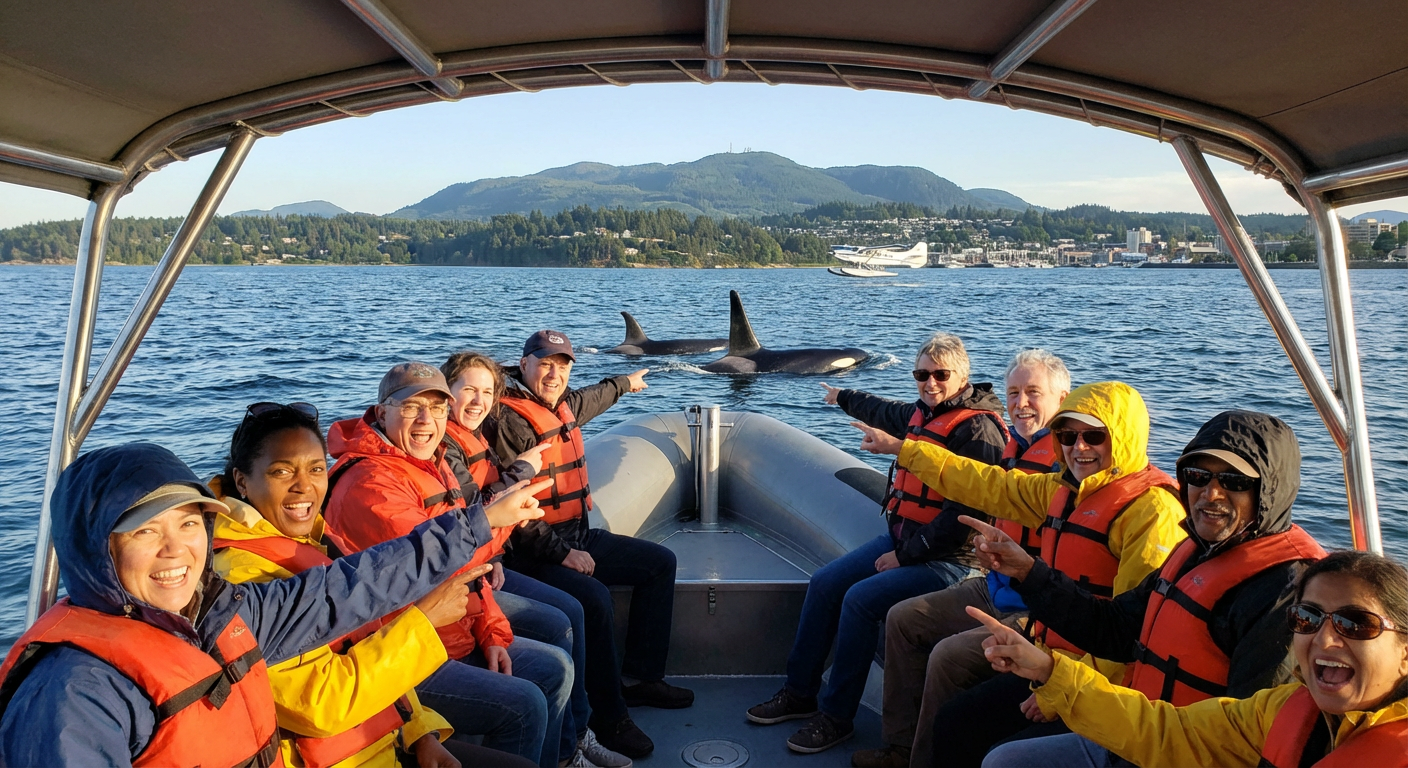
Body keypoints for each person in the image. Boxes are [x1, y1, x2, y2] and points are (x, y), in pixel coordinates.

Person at [0, 441, 545, 767]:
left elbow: (355, 586)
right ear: (97, 548)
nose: (176, 550)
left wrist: (478, 524)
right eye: (145, 531)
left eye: (189, 524)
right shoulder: (75, 692)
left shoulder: (220, 615)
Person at [964, 409, 1328, 765]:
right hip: (1137, 730)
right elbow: (1115, 627)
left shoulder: (1285, 595)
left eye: (1233, 481)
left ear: (1268, 492)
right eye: (1199, 476)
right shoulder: (1194, 552)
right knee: (1002, 758)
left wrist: (1055, 676)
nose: (1211, 493)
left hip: (1181, 750)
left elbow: (1245, 743)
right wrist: (1028, 572)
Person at [854, 380, 1187, 766]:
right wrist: (908, 451)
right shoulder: (1065, 490)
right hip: (1049, 651)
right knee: (955, 720)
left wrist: (1059, 691)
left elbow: (1134, 636)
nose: (1079, 447)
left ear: (1124, 437)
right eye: (1068, 435)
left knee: (970, 731)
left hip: (1096, 683)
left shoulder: (1152, 513)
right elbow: (990, 485)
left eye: (1094, 436)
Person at [748, 332, 1008, 755]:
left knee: (860, 601)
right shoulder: (924, 412)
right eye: (921, 374)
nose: (930, 383)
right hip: (903, 539)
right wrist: (842, 396)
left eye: (941, 375)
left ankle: (836, 717)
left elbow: (963, 520)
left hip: (951, 561)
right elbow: (884, 411)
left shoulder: (979, 431)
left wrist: (904, 555)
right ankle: (799, 693)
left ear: (963, 377)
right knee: (825, 583)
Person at [208, 401, 509, 767]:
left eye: (316, 469)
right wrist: (424, 623)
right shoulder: (242, 581)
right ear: (242, 481)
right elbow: (320, 704)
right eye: (282, 471)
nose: (304, 486)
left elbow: (370, 637)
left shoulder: (315, 540)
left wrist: (421, 732)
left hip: (385, 740)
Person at [322, 362, 572, 768]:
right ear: (382, 412)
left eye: (438, 408)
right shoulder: (371, 484)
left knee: (555, 666)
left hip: (453, 629)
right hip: (405, 650)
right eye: (411, 407)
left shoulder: (430, 463)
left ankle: (563, 756)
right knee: (524, 702)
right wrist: (499, 519)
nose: (427, 420)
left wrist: (491, 632)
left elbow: (469, 578)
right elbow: (444, 560)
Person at [974, 549, 1408, 767]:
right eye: (1307, 617)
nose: (1325, 639)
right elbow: (1166, 731)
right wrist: (1049, 670)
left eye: (1356, 624)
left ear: (1405, 651)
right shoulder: (1280, 710)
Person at [854, 348, 1070, 768]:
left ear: (1062, 399)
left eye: (1033, 392)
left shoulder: (1066, 464)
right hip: (994, 584)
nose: (1021, 403)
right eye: (1013, 393)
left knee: (948, 656)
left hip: (1034, 605)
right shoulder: (1015, 447)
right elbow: (979, 489)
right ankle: (899, 747)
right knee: (904, 619)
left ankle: (923, 761)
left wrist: (901, 448)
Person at [486, 329, 687, 760]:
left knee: (659, 563)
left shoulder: (559, 403)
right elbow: (514, 513)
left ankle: (642, 679)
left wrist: (625, 383)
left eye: (562, 366)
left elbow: (590, 399)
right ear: (524, 365)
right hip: (531, 551)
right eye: (544, 364)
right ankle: (609, 718)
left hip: (576, 534)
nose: (553, 373)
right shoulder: (506, 422)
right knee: (593, 599)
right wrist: (563, 554)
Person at [441, 350, 630, 768]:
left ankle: (577, 736)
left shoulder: (473, 435)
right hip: (478, 575)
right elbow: (483, 512)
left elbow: (478, 515)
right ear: (445, 393)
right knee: (572, 612)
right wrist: (523, 472)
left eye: (486, 392)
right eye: (468, 390)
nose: (478, 401)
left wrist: (624, 383)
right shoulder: (445, 447)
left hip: (490, 564)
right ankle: (571, 746)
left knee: (574, 611)